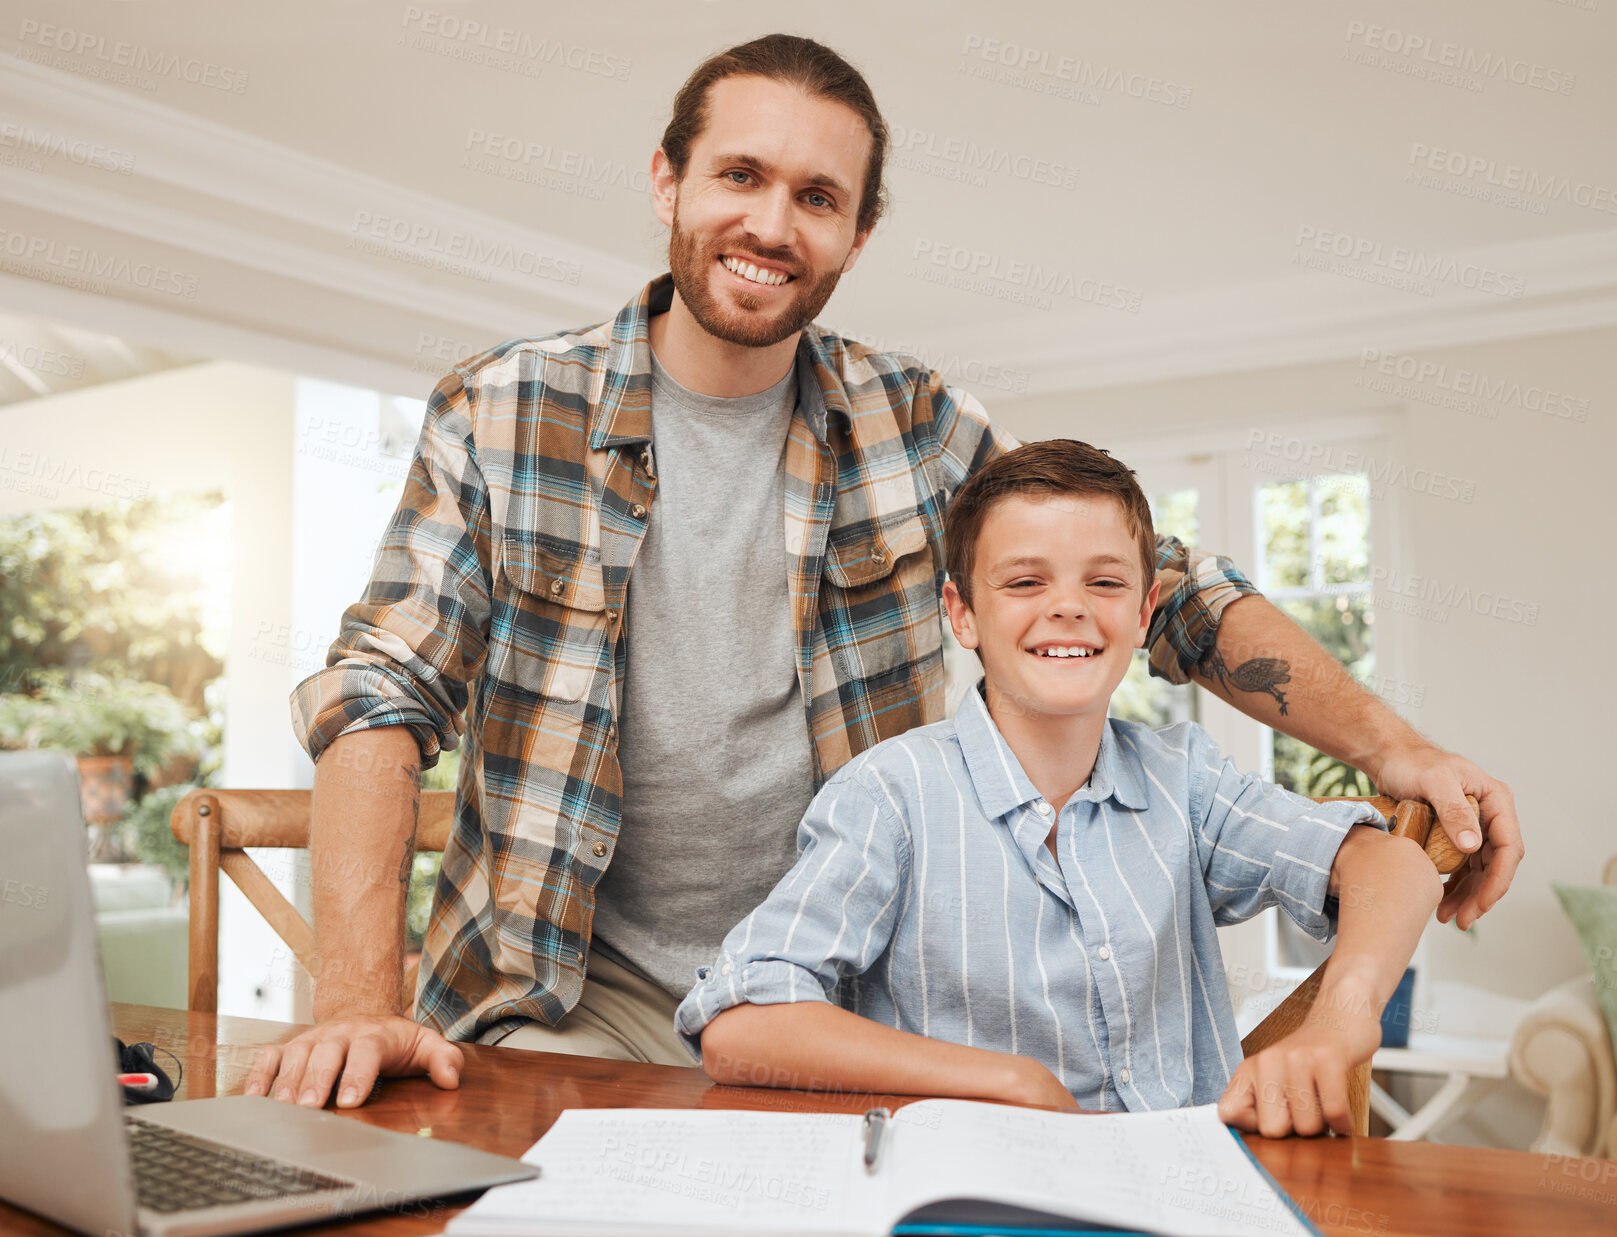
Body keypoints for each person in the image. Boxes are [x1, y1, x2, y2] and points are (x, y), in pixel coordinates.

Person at [247, 34, 1518, 1112]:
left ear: (858, 231)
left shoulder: (916, 424)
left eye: (816, 195)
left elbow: (1166, 588)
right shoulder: (504, 410)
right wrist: (357, 1004)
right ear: (666, 179)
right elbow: (382, 691)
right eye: (739, 175)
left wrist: (1395, 752)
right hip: (560, 992)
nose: (769, 223)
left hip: (841, 995)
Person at [677, 439, 1443, 1136]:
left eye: (1104, 580)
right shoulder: (891, 794)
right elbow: (741, 1022)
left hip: (1189, 1193)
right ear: (962, 613)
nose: (1067, 604)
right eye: (1023, 580)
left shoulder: (1186, 779)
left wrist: (1343, 1016)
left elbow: (1388, 864)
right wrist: (1006, 1079)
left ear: (1145, 613)